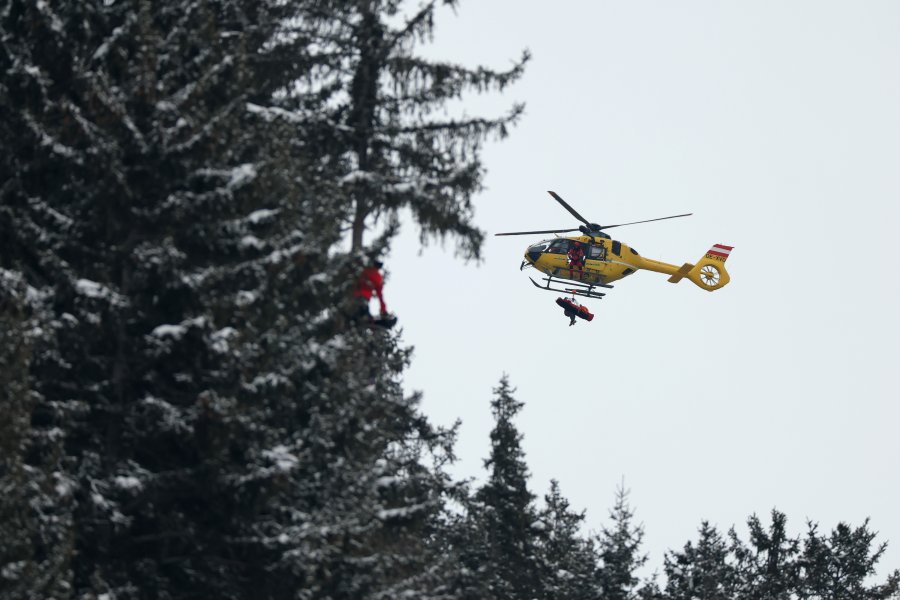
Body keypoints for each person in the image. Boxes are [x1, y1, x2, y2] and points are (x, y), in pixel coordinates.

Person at [353, 258, 396, 328]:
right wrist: (383, 310)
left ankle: (360, 321)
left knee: (363, 315)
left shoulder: (366, 271)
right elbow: (380, 296)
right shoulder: (377, 276)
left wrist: (383, 309)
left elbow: (380, 295)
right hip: (363, 298)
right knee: (364, 317)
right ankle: (382, 323)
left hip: (359, 297)